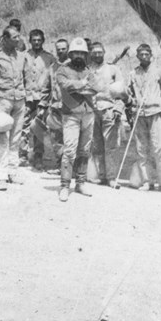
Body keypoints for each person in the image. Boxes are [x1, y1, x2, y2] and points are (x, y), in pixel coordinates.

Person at [126, 43, 161, 194]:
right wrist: (131, 105)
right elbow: (128, 94)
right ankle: (147, 181)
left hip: (156, 113)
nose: (144, 57)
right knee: (142, 149)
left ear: (151, 56)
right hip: (140, 114)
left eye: (146, 54)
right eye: (141, 54)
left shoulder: (158, 72)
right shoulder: (133, 73)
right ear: (137, 56)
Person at [54, 38, 97, 200]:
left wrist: (76, 87)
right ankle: (65, 186)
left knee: (85, 149)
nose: (79, 55)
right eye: (75, 53)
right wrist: (82, 84)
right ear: (70, 54)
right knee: (70, 150)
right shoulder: (62, 70)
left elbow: (95, 88)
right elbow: (64, 85)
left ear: (86, 55)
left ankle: (80, 183)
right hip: (71, 114)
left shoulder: (88, 71)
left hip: (88, 113)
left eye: (82, 53)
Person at [0, 26, 27, 191]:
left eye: (18, 36)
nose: (18, 39)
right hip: (3, 101)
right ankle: (1, 176)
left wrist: (28, 99)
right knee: (3, 139)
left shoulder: (22, 56)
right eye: (14, 37)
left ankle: (12, 172)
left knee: (16, 138)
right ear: (6, 39)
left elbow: (27, 79)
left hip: (20, 100)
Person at [87, 42, 127, 184]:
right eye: (94, 52)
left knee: (111, 146)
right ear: (90, 54)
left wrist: (118, 108)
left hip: (109, 110)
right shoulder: (87, 70)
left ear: (104, 53)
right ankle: (100, 175)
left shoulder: (113, 69)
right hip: (92, 111)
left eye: (100, 52)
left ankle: (111, 177)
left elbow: (121, 91)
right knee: (96, 145)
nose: (97, 55)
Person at [22, 29, 55, 168]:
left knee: (39, 127)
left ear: (43, 41)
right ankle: (22, 154)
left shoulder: (49, 58)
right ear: (30, 41)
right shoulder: (23, 56)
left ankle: (38, 156)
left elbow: (52, 80)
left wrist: (47, 100)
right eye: (34, 40)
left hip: (42, 97)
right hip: (26, 95)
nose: (36, 42)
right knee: (23, 125)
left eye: (39, 40)